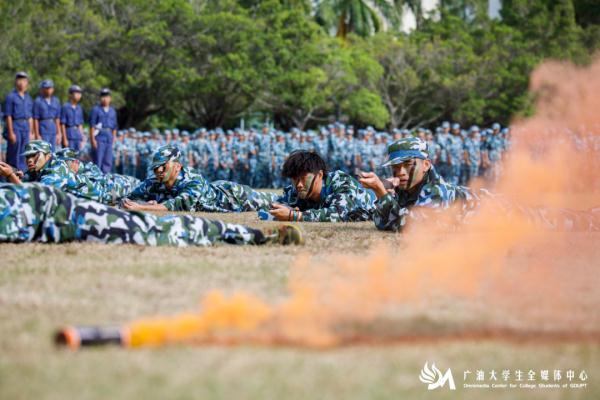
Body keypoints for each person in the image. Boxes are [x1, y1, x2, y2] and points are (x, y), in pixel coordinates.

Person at [359, 137, 599, 232]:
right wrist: (383, 194)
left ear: (426, 165)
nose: (399, 172)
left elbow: (407, 227)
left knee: (560, 222)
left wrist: (382, 191)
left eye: (407, 165)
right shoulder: (407, 191)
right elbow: (383, 222)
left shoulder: (434, 192)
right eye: (395, 167)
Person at [0, 183, 304, 246]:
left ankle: (252, 236)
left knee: (159, 229)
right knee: (154, 228)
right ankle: (254, 237)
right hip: (49, 212)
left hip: (54, 209)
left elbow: (177, 204)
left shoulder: (192, 183)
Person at [123, 145, 278, 213]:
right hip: (219, 190)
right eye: (156, 167)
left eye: (164, 166)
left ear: (177, 166)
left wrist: (142, 207)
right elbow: (127, 200)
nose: (159, 170)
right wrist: (143, 202)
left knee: (278, 201)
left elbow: (174, 206)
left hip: (233, 197)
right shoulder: (153, 182)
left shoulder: (193, 181)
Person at [268, 150, 376, 222]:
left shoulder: (341, 182)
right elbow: (276, 203)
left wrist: (294, 216)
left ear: (319, 175)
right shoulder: (297, 190)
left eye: (303, 178)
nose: (299, 185)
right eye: (295, 179)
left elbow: (339, 214)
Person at [0, 140, 114, 204]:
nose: (29, 159)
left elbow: (37, 197)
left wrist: (10, 175)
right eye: (27, 156)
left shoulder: (56, 171)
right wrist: (16, 173)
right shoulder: (42, 168)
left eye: (34, 155)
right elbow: (29, 178)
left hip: (112, 192)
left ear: (48, 156)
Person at [3, 72, 33, 172]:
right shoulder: (11, 97)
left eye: (24, 80)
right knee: (14, 152)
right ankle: (11, 174)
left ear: (27, 83)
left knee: (24, 152)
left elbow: (30, 117)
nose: (21, 83)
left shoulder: (28, 98)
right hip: (15, 125)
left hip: (25, 127)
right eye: (19, 80)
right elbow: (8, 116)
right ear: (16, 82)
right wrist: (11, 132)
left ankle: (21, 174)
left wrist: (31, 132)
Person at [89, 88, 117, 173]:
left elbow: (115, 126)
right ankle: (96, 181)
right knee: (98, 160)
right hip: (99, 137)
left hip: (109, 137)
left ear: (110, 98)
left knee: (107, 161)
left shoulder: (112, 111)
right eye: (103, 97)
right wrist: (92, 140)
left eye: (107, 97)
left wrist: (114, 138)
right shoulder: (96, 109)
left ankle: (105, 181)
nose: (105, 99)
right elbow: (92, 126)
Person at [32, 79, 61, 151]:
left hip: (53, 130)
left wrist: (59, 133)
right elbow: (35, 119)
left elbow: (57, 118)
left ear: (53, 89)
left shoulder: (56, 101)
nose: (48, 90)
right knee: (43, 152)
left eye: (50, 88)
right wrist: (37, 134)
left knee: (53, 152)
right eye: (46, 88)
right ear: (42, 89)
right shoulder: (38, 101)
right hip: (43, 130)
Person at [60, 85, 85, 151]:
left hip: (77, 136)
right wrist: (65, 139)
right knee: (68, 158)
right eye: (76, 93)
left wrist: (82, 138)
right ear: (70, 95)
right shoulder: (65, 107)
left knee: (77, 159)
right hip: (69, 136)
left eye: (80, 93)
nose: (79, 95)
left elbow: (80, 124)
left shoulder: (79, 108)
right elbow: (62, 124)